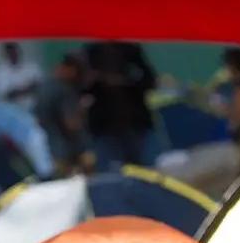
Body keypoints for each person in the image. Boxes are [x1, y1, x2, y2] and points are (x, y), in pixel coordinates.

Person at [84, 41, 162, 171]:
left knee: (147, 171)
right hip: (105, 126)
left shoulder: (131, 51)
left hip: (136, 123)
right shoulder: (91, 54)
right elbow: (82, 87)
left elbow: (150, 81)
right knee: (111, 174)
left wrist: (125, 81)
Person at [34, 53, 93, 176]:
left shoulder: (44, 88)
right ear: (71, 70)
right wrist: (82, 109)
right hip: (70, 154)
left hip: (52, 153)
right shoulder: (65, 89)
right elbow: (72, 124)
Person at [0, 42, 43, 111]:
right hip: (15, 111)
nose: (13, 55)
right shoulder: (0, 73)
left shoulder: (32, 67)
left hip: (36, 108)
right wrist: (29, 88)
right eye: (10, 53)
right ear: (5, 55)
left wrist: (17, 90)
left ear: (19, 52)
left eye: (15, 52)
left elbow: (41, 87)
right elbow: (7, 95)